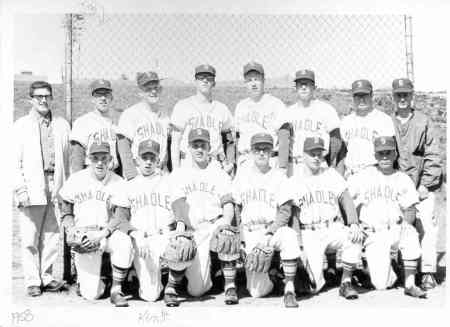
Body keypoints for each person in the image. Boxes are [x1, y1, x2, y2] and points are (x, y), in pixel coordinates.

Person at [283, 136, 363, 299]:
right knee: (313, 287)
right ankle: (298, 275)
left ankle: (346, 282)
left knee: (354, 237)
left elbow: (346, 199)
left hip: (332, 227)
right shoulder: (294, 180)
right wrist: (299, 244)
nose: (316, 157)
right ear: (303, 155)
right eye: (312, 153)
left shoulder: (331, 174)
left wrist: (353, 223)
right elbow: (294, 216)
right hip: (309, 232)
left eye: (319, 153)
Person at [347, 136, 426, 298]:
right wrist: (353, 223)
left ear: (395, 154)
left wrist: (406, 224)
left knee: (410, 232)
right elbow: (345, 198)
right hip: (374, 233)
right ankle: (389, 268)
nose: (384, 157)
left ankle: (410, 284)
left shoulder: (402, 178)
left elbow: (410, 208)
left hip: (396, 228)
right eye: (380, 153)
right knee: (381, 285)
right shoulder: (364, 176)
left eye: (388, 153)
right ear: (375, 155)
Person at [58, 142, 134, 306]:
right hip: (84, 237)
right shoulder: (77, 179)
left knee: (124, 242)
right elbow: (65, 204)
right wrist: (71, 228)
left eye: (104, 158)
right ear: (88, 159)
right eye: (95, 158)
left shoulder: (118, 181)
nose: (100, 162)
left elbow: (122, 214)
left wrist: (102, 234)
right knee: (91, 294)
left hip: (107, 234)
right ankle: (102, 277)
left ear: (111, 160)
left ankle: (116, 289)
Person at [166, 128, 236, 306]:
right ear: (189, 148)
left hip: (213, 225)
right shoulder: (180, 173)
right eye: (195, 145)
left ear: (209, 147)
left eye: (202, 145)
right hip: (191, 229)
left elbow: (228, 204)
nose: (199, 149)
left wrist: (226, 222)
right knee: (197, 290)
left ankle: (230, 286)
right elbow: (178, 203)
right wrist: (180, 226)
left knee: (226, 234)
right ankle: (176, 283)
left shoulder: (218, 173)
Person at [13, 81, 70, 297]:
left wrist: (64, 187)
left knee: (52, 235)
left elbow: (65, 158)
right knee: (30, 237)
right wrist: (20, 189)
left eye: (47, 96)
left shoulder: (62, 125)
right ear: (31, 99)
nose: (43, 100)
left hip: (55, 184)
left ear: (51, 97)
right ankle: (32, 281)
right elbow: (12, 162)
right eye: (38, 96)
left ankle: (46, 277)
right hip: (32, 185)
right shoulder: (21, 125)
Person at [232, 133, 302, 308]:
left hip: (272, 230)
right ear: (251, 152)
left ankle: (289, 288)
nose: (262, 153)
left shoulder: (279, 176)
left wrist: (270, 231)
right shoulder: (242, 176)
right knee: (257, 292)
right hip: (250, 232)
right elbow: (237, 210)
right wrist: (240, 238)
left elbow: (285, 212)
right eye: (257, 149)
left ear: (272, 151)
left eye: (266, 149)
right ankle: (274, 276)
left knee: (289, 235)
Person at [390, 78, 443, 290]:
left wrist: (425, 185)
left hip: (421, 185)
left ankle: (428, 271)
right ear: (393, 97)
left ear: (412, 96)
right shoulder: (388, 122)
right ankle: (399, 267)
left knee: (428, 225)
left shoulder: (424, 121)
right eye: (398, 95)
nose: (402, 98)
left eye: (406, 94)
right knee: (393, 224)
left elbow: (434, 157)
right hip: (396, 188)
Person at [109, 139, 175, 302]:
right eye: (144, 157)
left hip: (164, 236)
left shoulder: (169, 182)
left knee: (183, 243)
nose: (148, 162)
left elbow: (180, 211)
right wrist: (137, 235)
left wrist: (177, 232)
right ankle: (116, 289)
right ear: (137, 159)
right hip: (141, 240)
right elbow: (120, 219)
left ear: (158, 160)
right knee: (150, 296)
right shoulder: (128, 185)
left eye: (152, 158)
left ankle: (171, 287)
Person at [276, 69, 343, 177]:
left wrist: (327, 160)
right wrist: (283, 166)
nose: (303, 87)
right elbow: (282, 141)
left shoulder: (326, 110)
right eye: (300, 84)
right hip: (294, 165)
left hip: (317, 164)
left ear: (314, 87)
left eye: (307, 84)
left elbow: (336, 139)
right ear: (295, 88)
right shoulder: (287, 112)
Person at [170, 64, 234, 173]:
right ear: (195, 81)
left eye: (209, 78)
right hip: (189, 162)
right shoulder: (183, 106)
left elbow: (229, 140)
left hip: (215, 163)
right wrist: (176, 169)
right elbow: (175, 141)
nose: (205, 80)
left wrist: (230, 164)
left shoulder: (221, 109)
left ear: (214, 83)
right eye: (201, 77)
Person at [117, 72, 171, 179]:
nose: (153, 91)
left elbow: (166, 147)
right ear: (140, 92)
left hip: (160, 172)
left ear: (160, 90)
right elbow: (123, 147)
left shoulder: (165, 116)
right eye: (148, 88)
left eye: (156, 87)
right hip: (139, 172)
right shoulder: (130, 114)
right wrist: (131, 175)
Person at [234, 62, 286, 171]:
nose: (253, 84)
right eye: (249, 80)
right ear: (245, 83)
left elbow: (284, 138)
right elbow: (237, 137)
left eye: (256, 79)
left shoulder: (276, 104)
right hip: (246, 159)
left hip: (269, 160)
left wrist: (283, 166)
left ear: (263, 80)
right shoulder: (240, 106)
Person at [340, 79, 396, 177]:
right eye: (358, 96)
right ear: (353, 97)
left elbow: (390, 154)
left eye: (364, 95)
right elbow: (343, 151)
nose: (361, 100)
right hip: (351, 173)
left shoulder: (383, 120)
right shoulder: (346, 121)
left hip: (374, 173)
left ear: (371, 95)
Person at [70, 79, 119, 173]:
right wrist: (77, 180)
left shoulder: (117, 123)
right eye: (99, 95)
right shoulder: (83, 122)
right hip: (91, 173)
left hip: (113, 173)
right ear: (92, 99)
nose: (103, 98)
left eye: (106, 94)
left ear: (111, 98)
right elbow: (77, 157)